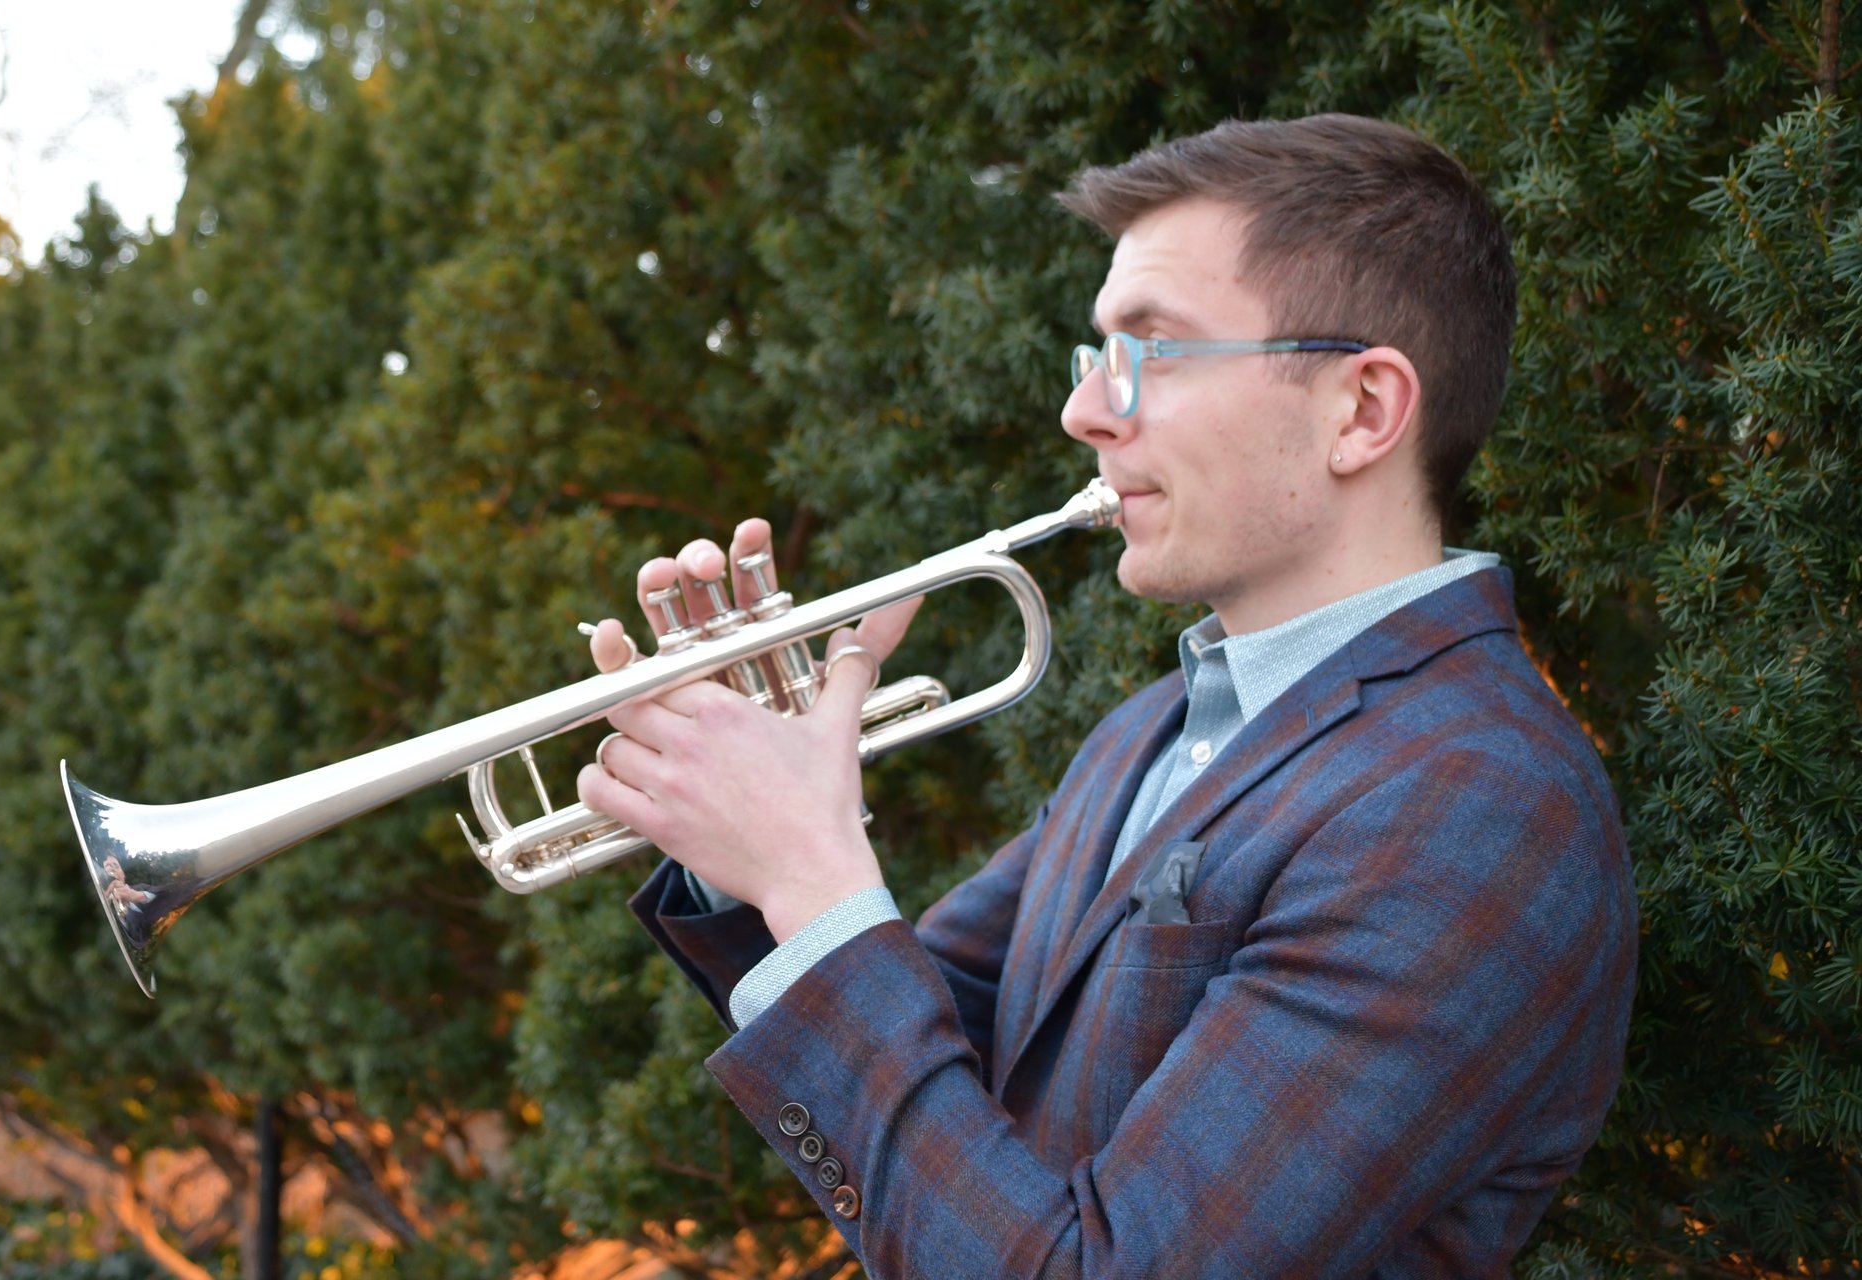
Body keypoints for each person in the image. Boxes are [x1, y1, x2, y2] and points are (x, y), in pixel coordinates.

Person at [577, 114, 1637, 1278]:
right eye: (1095, 356)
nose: (1087, 413)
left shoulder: (1476, 806)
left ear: (1363, 412)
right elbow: (931, 1112)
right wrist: (750, 854)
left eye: (1151, 351)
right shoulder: (1150, 730)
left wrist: (813, 876)